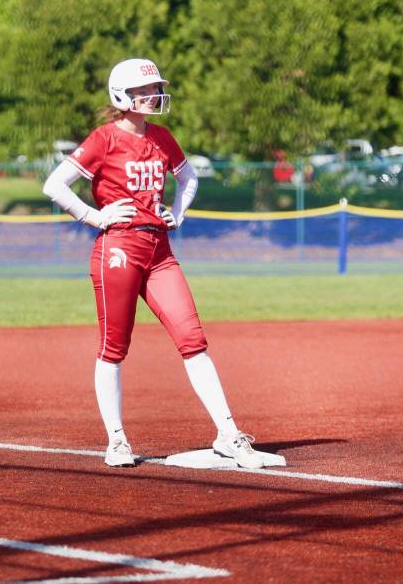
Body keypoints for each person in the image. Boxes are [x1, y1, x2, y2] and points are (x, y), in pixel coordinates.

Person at [42, 58, 265, 469]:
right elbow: (53, 185)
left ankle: (229, 434)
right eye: (144, 91)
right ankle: (117, 440)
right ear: (120, 96)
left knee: (192, 340)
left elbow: (189, 179)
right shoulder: (103, 139)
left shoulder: (162, 137)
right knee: (114, 348)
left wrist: (177, 214)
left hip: (159, 251)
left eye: (155, 89)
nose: (153, 95)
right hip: (118, 250)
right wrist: (93, 216)